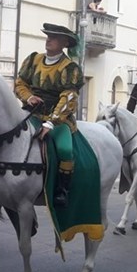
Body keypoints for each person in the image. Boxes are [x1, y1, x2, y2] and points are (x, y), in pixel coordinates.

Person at [14, 23, 84, 208]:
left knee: (65, 149)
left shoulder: (70, 68)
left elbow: (69, 97)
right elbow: (20, 83)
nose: (49, 40)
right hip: (31, 114)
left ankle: (62, 190)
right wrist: (28, 97)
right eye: (48, 36)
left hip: (59, 120)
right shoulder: (33, 60)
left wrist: (51, 123)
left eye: (54, 38)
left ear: (64, 43)